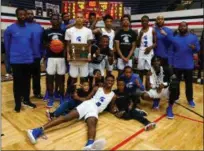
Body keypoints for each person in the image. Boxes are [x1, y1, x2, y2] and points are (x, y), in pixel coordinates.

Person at [27, 75, 116, 150]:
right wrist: (78, 98)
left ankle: (89, 146)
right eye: (108, 80)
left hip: (95, 111)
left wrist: (116, 111)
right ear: (105, 81)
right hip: (88, 104)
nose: (110, 82)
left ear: (113, 82)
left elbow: (111, 108)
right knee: (66, 118)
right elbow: (87, 98)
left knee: (92, 124)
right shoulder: (97, 88)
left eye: (112, 81)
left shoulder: (113, 95)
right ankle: (36, 130)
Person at [160, 22, 200, 107]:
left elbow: (198, 49)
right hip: (177, 65)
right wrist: (171, 63)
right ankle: (176, 97)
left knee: (189, 84)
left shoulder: (193, 37)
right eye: (181, 26)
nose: (182, 28)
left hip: (188, 65)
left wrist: (194, 48)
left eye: (184, 26)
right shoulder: (175, 38)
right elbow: (171, 51)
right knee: (176, 84)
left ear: (187, 27)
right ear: (178, 28)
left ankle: (190, 99)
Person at [4, 8, 36, 112]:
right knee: (17, 83)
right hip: (16, 61)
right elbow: (7, 47)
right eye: (20, 15)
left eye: (24, 15)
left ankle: (26, 100)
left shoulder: (29, 29)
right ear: (16, 15)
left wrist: (32, 58)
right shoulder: (10, 29)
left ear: (26, 15)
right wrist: (7, 62)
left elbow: (31, 45)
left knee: (27, 82)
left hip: (27, 60)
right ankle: (17, 103)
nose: (22, 16)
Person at [43, 14, 66, 108]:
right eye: (53, 19)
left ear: (60, 21)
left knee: (61, 79)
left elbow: (66, 43)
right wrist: (51, 45)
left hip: (61, 58)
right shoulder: (46, 31)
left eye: (57, 19)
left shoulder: (63, 31)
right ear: (50, 21)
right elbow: (43, 43)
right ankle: (51, 97)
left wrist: (61, 46)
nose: (55, 21)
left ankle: (61, 96)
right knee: (50, 78)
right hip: (50, 58)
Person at [65, 12, 93, 86]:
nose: (79, 19)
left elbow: (89, 44)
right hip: (73, 55)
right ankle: (70, 94)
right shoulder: (69, 31)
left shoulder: (88, 31)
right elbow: (68, 45)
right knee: (72, 77)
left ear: (83, 19)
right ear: (75, 19)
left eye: (81, 17)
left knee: (84, 77)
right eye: (77, 17)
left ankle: (82, 94)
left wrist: (89, 54)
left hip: (83, 55)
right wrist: (68, 54)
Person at [26, 9, 44, 99]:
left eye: (31, 14)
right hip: (24, 57)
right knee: (25, 77)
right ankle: (25, 95)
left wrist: (43, 53)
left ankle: (37, 93)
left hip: (36, 56)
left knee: (36, 76)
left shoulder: (39, 27)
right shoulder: (21, 26)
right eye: (28, 14)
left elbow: (42, 42)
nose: (29, 15)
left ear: (33, 15)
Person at [154, 15, 173, 83]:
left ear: (164, 20)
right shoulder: (153, 30)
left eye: (162, 19)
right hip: (155, 56)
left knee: (165, 76)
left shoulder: (169, 30)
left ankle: (165, 91)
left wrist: (165, 34)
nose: (160, 20)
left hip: (165, 56)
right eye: (158, 19)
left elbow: (173, 42)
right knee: (156, 75)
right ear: (156, 21)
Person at [137, 15, 157, 81]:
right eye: (142, 21)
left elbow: (155, 43)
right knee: (140, 71)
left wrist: (150, 48)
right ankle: (141, 88)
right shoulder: (139, 30)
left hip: (149, 51)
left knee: (148, 71)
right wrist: (140, 35)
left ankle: (147, 87)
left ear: (148, 21)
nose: (144, 22)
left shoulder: (152, 30)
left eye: (145, 21)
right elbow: (137, 44)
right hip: (141, 51)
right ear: (141, 22)